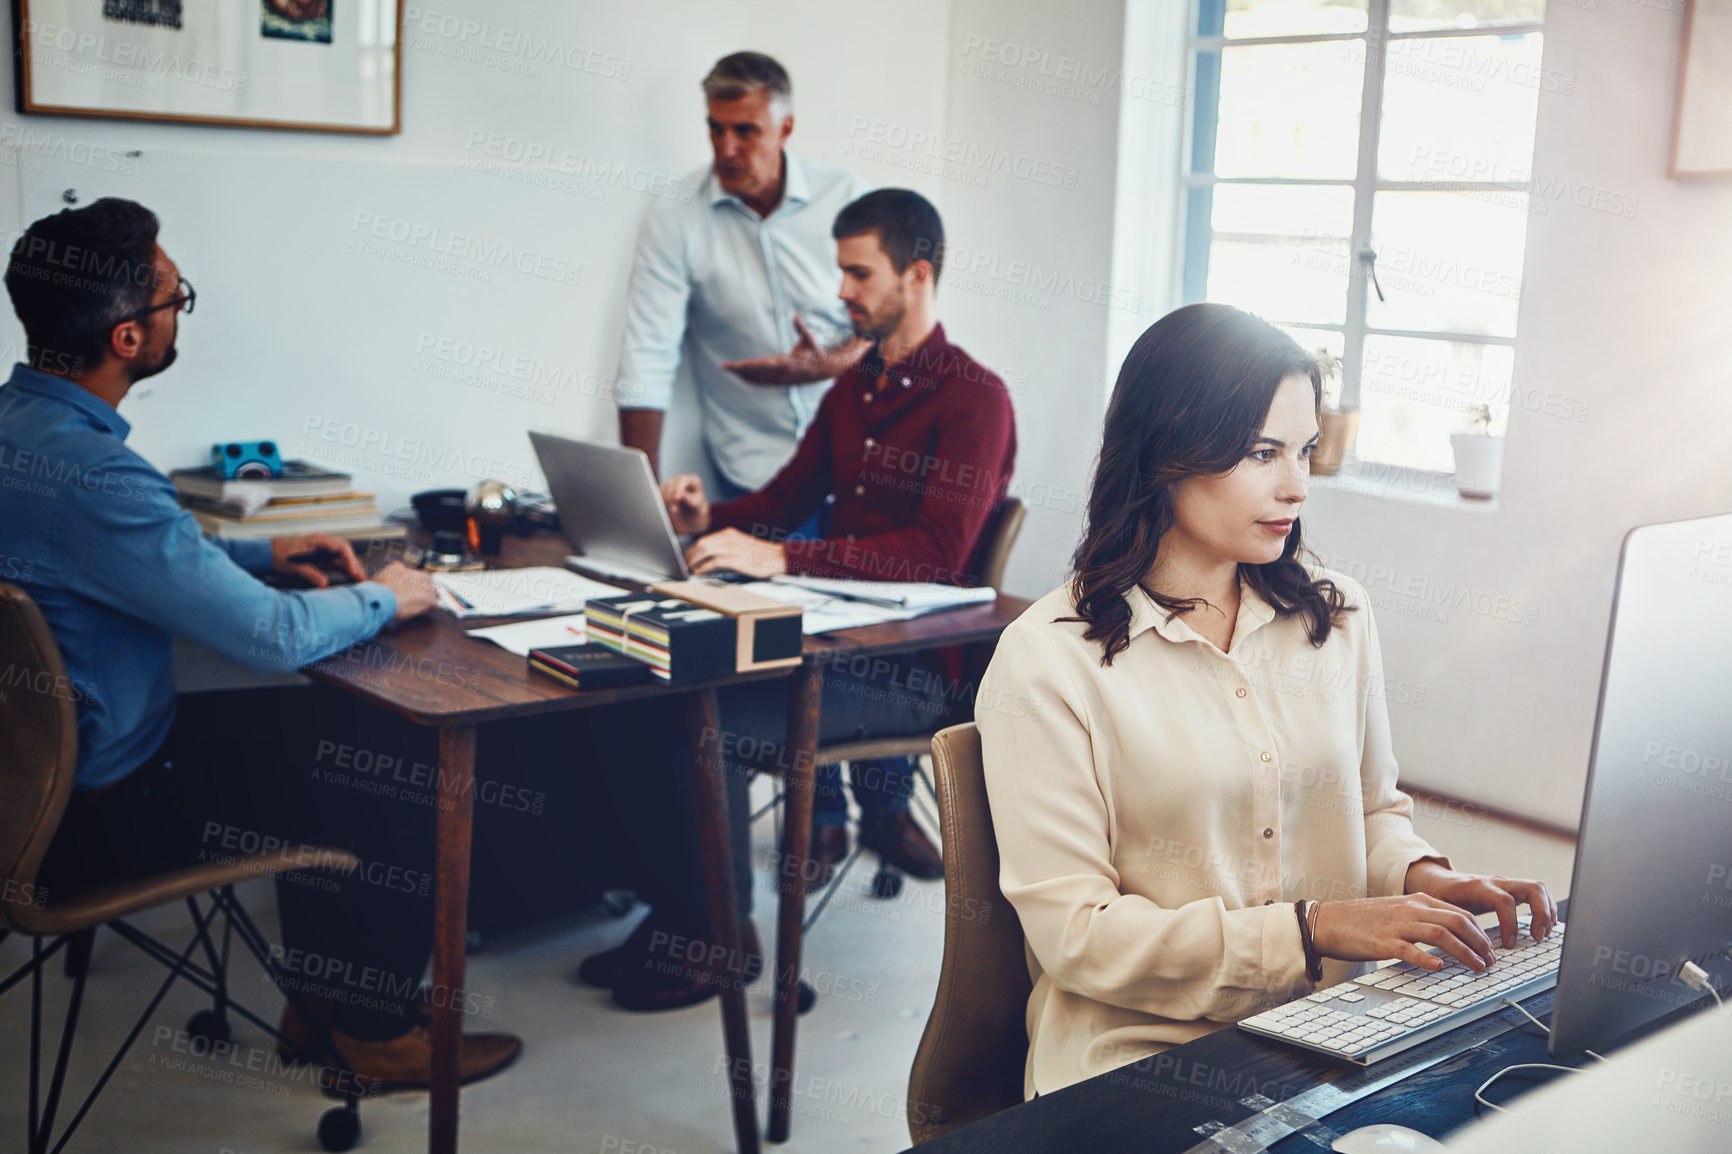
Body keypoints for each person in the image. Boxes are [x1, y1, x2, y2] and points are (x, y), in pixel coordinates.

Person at [0, 198, 522, 1089]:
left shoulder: (23, 432)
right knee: (396, 760)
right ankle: (370, 1032)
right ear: (128, 337)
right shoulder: (97, 473)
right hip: (97, 820)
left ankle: (323, 1005)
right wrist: (380, 595)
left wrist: (258, 550)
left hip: (35, 788)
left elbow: (117, 558)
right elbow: (273, 636)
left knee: (319, 741)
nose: (177, 312)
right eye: (173, 297)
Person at [974, 303, 1557, 1097]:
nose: (1296, 485)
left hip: (1338, 1026)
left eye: (1306, 450)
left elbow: (1371, 814)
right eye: (1262, 452)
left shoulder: (1336, 616)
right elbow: (1078, 939)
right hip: (1139, 1058)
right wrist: (1314, 930)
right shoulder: (1047, 659)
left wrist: (1423, 879)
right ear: (1165, 453)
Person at [662, 189, 1016, 900]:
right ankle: (686, 900)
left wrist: (786, 557)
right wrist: (706, 519)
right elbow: (783, 501)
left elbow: (938, 553)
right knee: (677, 680)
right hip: (834, 640)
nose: (841, 291)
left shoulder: (976, 399)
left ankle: (715, 938)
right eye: (842, 272)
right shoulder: (855, 389)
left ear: (916, 276)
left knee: (712, 714)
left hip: (912, 671)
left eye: (859, 274)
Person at [614, 50, 871, 493]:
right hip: (757, 480)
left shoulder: (847, 198)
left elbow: (898, 319)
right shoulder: (675, 218)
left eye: (745, 131)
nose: (726, 149)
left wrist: (833, 363)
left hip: (860, 467)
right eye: (716, 128)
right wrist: (642, 503)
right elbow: (646, 361)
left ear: (785, 129)